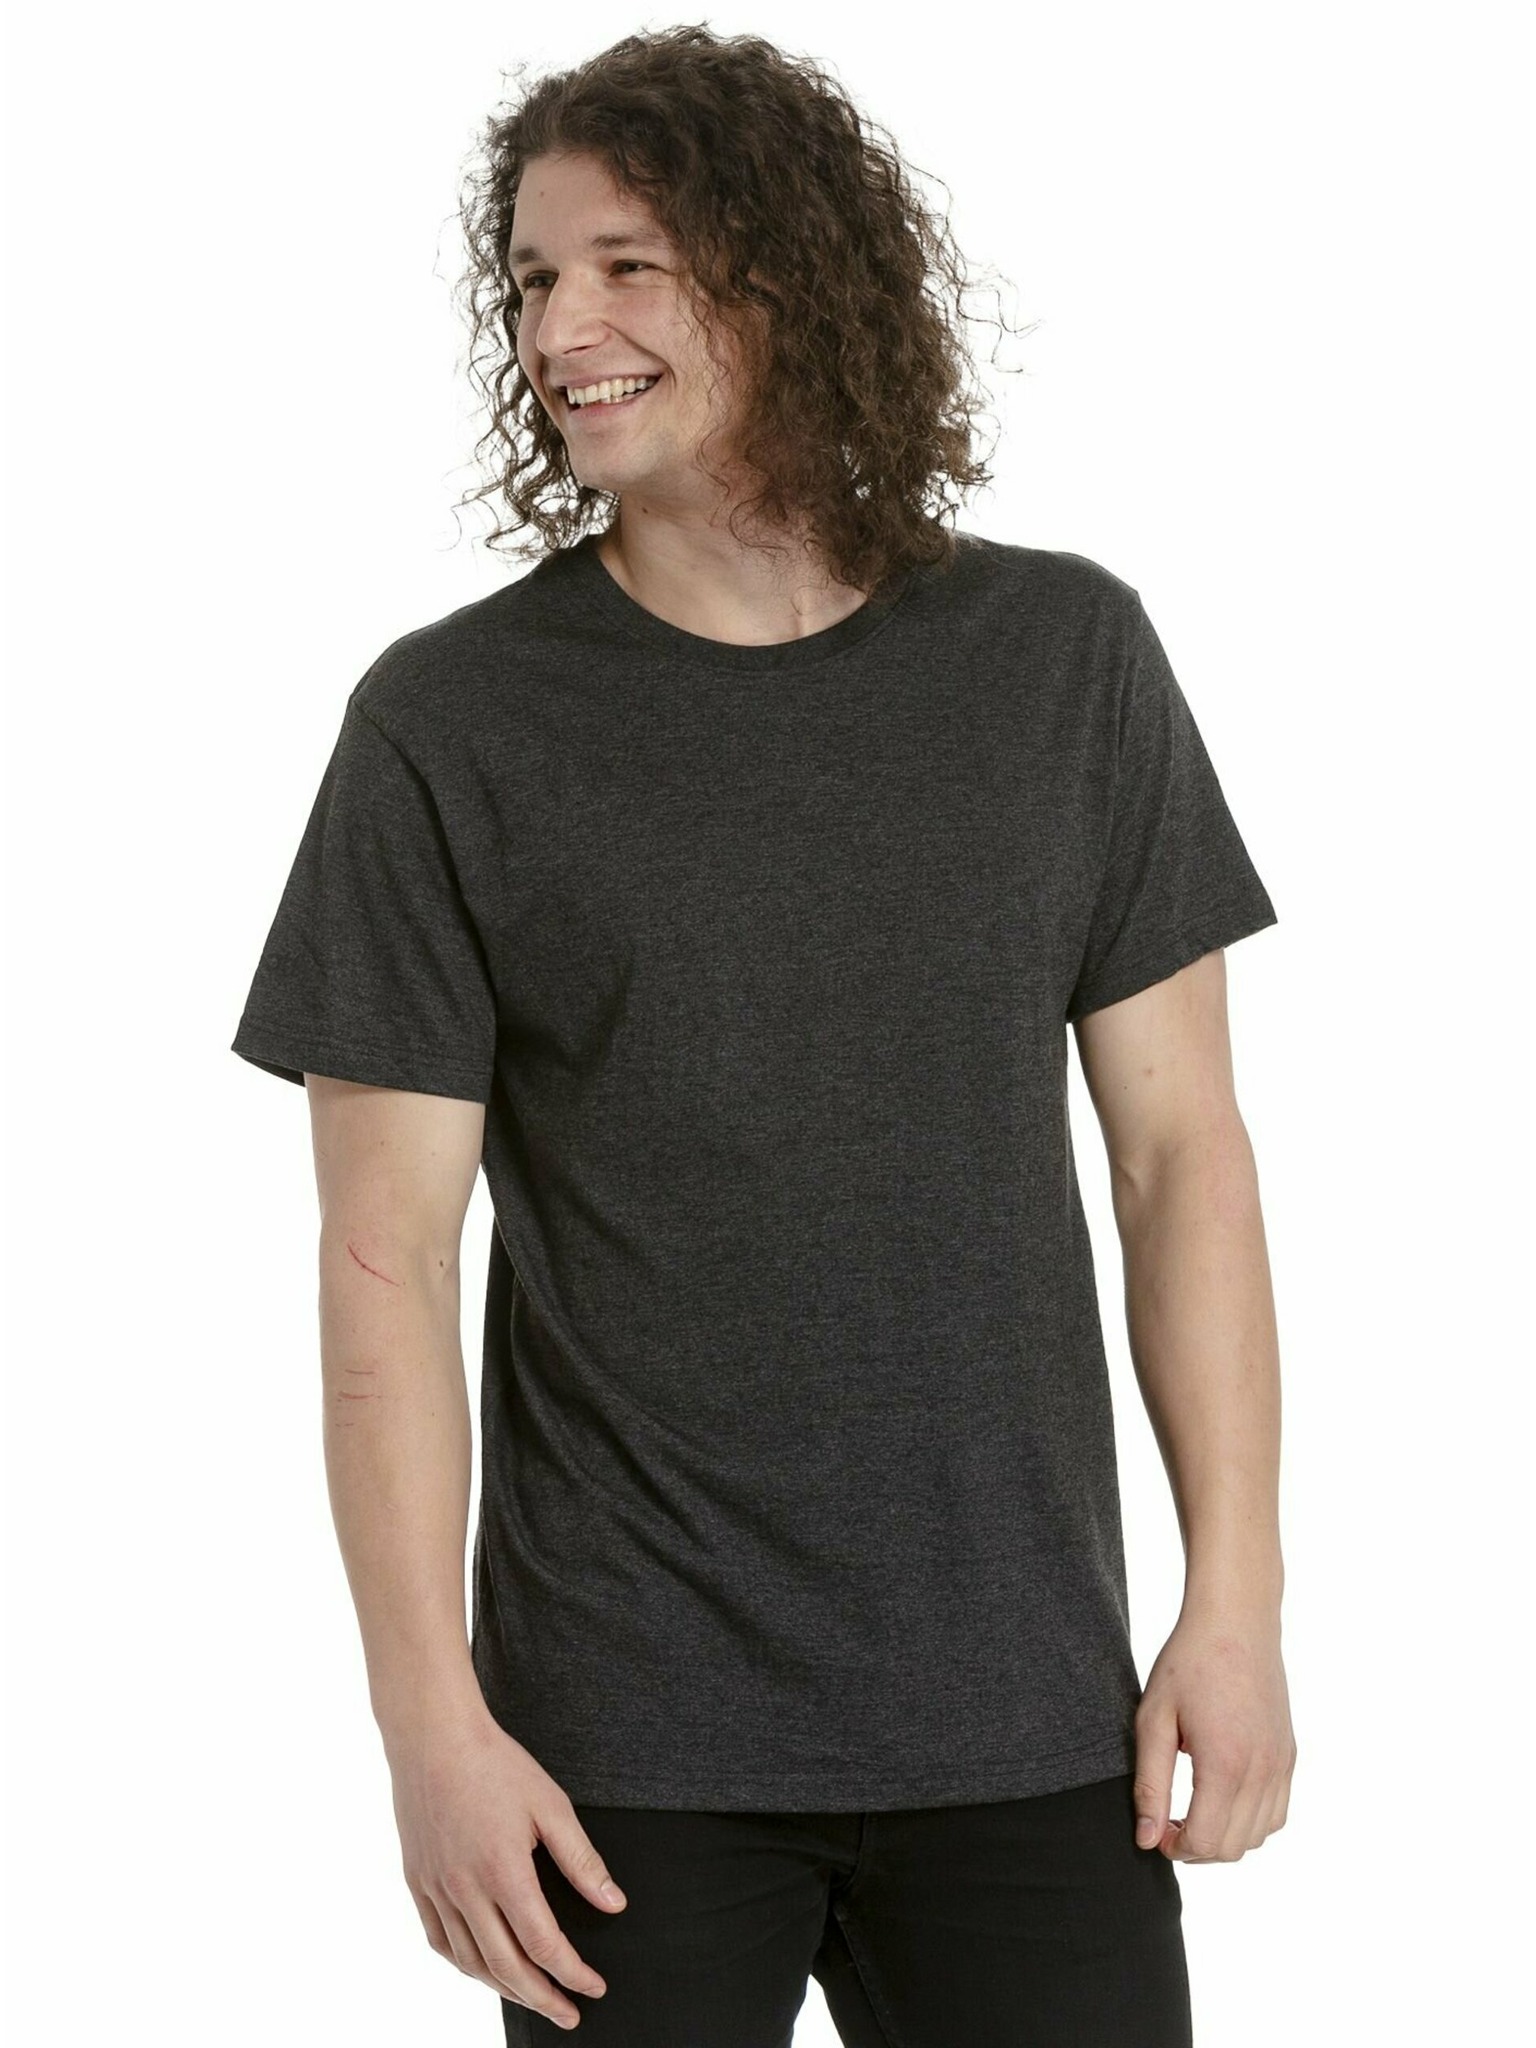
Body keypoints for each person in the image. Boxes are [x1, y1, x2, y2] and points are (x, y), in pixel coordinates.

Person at [231, 25, 1295, 2046]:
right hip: (617, 1750)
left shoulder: (1063, 658)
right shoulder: (450, 725)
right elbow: (384, 1262)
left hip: (1027, 1715)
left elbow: (1185, 1160)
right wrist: (430, 1730)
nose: (563, 328)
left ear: (787, 279)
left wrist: (1231, 1604)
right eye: (535, 278)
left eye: (626, 266)